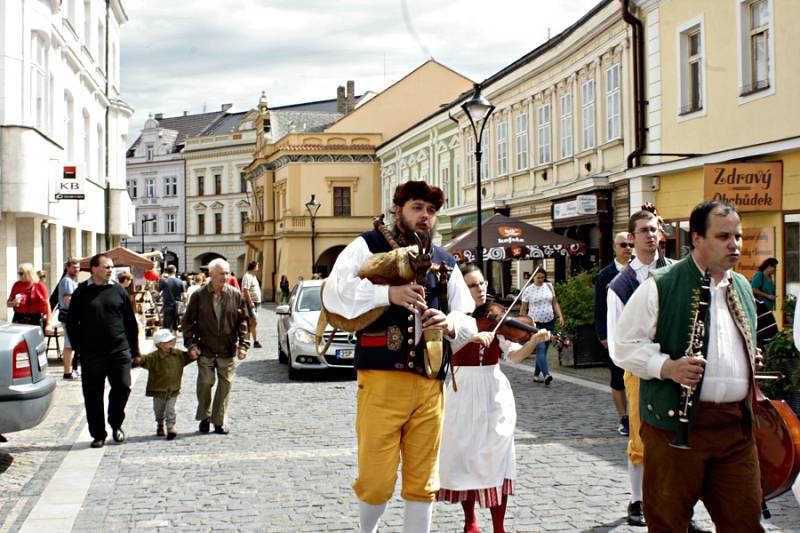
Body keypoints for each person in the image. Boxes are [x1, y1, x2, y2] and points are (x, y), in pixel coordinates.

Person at [323, 180, 474, 533]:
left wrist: (449, 323)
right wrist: (388, 294)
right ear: (398, 210)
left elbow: (466, 314)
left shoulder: (445, 260)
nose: (425, 216)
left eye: (431, 211)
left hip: (430, 383)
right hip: (381, 379)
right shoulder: (368, 244)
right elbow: (336, 292)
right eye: (417, 208)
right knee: (375, 477)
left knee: (423, 479)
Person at [614, 201, 763, 532]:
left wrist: (746, 358)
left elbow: (738, 337)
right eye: (723, 236)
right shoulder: (661, 284)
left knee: (744, 522)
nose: (734, 244)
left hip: (734, 429)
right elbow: (623, 346)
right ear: (697, 239)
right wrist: (667, 367)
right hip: (674, 428)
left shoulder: (741, 286)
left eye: (737, 236)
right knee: (669, 522)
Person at [438, 264, 550, 533]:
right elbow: (441, 349)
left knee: (496, 455)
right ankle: (471, 522)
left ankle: (498, 527)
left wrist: (535, 341)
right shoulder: (450, 318)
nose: (481, 289)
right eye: (473, 285)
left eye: (482, 283)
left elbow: (512, 356)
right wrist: (470, 337)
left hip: (493, 388)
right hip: (460, 389)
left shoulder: (497, 316)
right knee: (466, 455)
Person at [606, 208, 672, 527]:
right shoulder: (621, 284)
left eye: (654, 229)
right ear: (631, 239)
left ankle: (674, 498)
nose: (650, 235)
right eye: (643, 230)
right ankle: (638, 500)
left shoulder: (675, 272)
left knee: (677, 435)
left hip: (674, 368)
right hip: (639, 371)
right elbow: (617, 338)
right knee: (641, 437)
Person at [66, 253, 140, 448]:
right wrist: (79, 348)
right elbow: (72, 323)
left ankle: (116, 424)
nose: (110, 270)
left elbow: (130, 323)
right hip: (92, 353)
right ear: (94, 269)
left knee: (123, 387)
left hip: (119, 350)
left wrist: (135, 351)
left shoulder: (118, 290)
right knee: (93, 394)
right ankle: (98, 433)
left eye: (111, 267)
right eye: (106, 267)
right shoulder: (81, 292)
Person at [181, 258, 249, 435]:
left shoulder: (235, 295)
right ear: (211, 275)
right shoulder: (199, 295)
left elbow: (243, 323)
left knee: (225, 386)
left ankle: (219, 421)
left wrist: (243, 345)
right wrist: (191, 344)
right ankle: (205, 416)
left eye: (227, 273)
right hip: (205, 348)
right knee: (205, 383)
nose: (225, 277)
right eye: (221, 273)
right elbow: (187, 323)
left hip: (227, 349)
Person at [594, 232, 634, 436]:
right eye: (624, 245)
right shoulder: (605, 275)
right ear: (615, 248)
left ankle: (638, 414)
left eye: (630, 244)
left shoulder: (639, 270)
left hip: (637, 333)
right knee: (618, 378)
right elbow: (599, 308)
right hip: (615, 334)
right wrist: (603, 335)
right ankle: (623, 417)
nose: (628, 248)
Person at [133, 329, 197, 440]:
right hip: (158, 391)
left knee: (170, 409)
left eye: (171, 340)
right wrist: (137, 360)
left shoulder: (178, 354)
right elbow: (143, 360)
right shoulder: (153, 357)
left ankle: (170, 427)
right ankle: (160, 424)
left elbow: (189, 357)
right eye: (167, 342)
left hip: (173, 389)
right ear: (159, 345)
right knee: (158, 411)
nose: (171, 343)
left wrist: (194, 353)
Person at [519, 269, 564, 384]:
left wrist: (560, 316)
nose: (540, 280)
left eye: (542, 277)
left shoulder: (549, 286)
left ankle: (535, 375)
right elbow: (523, 309)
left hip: (549, 322)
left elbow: (554, 302)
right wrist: (523, 323)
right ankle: (546, 374)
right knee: (541, 348)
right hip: (535, 324)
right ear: (533, 277)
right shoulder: (528, 290)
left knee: (544, 350)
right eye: (538, 277)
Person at [7, 262, 51, 334]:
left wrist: (48, 324)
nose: (19, 275)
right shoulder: (16, 285)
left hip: (34, 318)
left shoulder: (39, 285)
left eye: (21, 273)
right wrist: (13, 303)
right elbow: (8, 303)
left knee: (34, 342)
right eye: (19, 273)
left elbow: (47, 305)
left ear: (28, 274)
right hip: (18, 317)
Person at [58, 258, 81, 380]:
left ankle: (71, 370)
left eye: (78, 267)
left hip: (71, 315)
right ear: (68, 268)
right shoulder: (67, 281)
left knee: (71, 344)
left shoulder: (72, 280)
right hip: (68, 316)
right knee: (69, 345)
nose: (77, 270)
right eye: (74, 267)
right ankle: (67, 371)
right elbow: (68, 299)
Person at [241, 261, 263, 348]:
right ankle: (251, 341)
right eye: (257, 265)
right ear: (253, 267)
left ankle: (252, 341)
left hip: (255, 303)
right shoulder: (247, 276)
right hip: (250, 303)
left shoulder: (253, 276)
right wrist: (250, 302)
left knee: (252, 322)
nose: (258, 267)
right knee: (253, 321)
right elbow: (245, 290)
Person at [157, 265, 185, 332]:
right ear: (175, 271)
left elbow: (157, 293)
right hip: (177, 307)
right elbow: (184, 296)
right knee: (175, 327)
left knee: (166, 327)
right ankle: (174, 341)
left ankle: (167, 341)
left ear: (167, 271)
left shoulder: (164, 281)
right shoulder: (180, 282)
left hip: (167, 306)